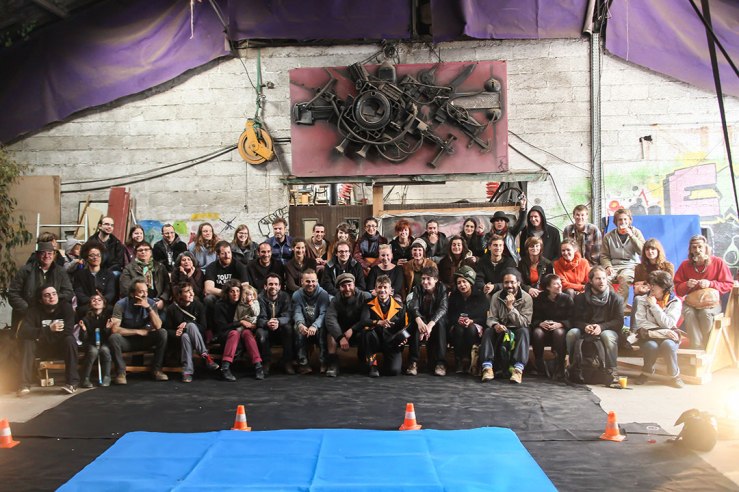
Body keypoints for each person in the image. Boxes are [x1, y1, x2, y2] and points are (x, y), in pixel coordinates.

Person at [566, 266, 624, 384]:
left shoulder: (616, 298)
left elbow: (619, 321)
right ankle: (574, 367)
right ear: (591, 281)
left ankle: (611, 370)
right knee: (572, 333)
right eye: (598, 278)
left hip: (607, 329)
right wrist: (585, 326)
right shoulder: (580, 298)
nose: (601, 281)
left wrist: (601, 327)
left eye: (604, 278)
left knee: (608, 336)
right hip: (586, 329)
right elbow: (574, 320)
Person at [17, 286, 79, 396]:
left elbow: (68, 330)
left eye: (54, 294)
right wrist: (48, 329)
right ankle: (24, 385)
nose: (52, 297)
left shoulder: (66, 307)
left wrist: (41, 335)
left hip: (60, 347)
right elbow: (24, 331)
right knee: (27, 342)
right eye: (47, 295)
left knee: (70, 340)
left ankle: (71, 383)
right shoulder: (33, 311)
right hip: (41, 348)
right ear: (41, 300)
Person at [674, 235, 733, 348]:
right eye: (694, 247)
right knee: (689, 313)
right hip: (691, 302)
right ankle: (697, 347)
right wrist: (687, 285)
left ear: (706, 248)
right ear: (690, 250)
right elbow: (677, 288)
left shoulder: (718, 262)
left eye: (700, 247)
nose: (697, 250)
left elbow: (728, 284)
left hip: (711, 303)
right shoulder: (685, 265)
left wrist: (710, 284)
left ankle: (709, 346)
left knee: (705, 313)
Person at [108, 279, 169, 384]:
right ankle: (121, 372)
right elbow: (114, 329)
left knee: (162, 333)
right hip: (128, 340)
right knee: (114, 338)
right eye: (141, 292)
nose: (145, 294)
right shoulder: (121, 304)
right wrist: (137, 331)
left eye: (146, 291)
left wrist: (148, 308)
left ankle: (156, 370)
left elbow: (158, 326)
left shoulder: (151, 303)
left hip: (145, 339)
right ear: (132, 294)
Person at [632, 271, 684, 388]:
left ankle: (674, 375)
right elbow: (642, 323)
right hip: (649, 335)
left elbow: (669, 323)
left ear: (664, 287)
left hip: (667, 336)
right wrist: (664, 332)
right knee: (651, 345)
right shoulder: (642, 300)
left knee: (668, 345)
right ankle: (646, 372)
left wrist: (654, 306)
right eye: (650, 284)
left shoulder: (675, 302)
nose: (650, 287)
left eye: (654, 285)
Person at [480, 268, 533, 384]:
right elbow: (491, 317)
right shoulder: (496, 296)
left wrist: (510, 308)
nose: (509, 285)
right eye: (506, 282)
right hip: (501, 328)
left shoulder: (526, 298)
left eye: (512, 282)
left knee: (524, 331)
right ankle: (487, 367)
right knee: (488, 331)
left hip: (517, 328)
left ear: (518, 283)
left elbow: (525, 322)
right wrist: (496, 325)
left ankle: (518, 369)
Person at [8, 240, 74, 327]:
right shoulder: (25, 271)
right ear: (37, 255)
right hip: (29, 312)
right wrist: (26, 308)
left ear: (54, 255)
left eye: (50, 253)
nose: (47, 256)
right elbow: (13, 293)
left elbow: (68, 292)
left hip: (53, 312)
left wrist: (51, 300)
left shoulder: (60, 272)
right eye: (43, 253)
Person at [165, 283, 219, 383]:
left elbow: (203, 327)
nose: (191, 294)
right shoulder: (171, 309)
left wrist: (187, 324)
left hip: (197, 337)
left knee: (190, 325)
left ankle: (187, 371)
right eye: (187, 291)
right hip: (179, 340)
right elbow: (167, 329)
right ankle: (204, 356)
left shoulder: (198, 305)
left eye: (192, 291)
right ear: (179, 295)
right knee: (185, 336)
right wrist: (175, 332)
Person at [212, 279, 264, 381]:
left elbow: (253, 315)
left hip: (243, 331)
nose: (235, 294)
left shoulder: (243, 303)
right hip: (226, 334)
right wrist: (240, 322)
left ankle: (258, 366)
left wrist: (252, 324)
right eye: (232, 291)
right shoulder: (220, 305)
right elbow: (221, 327)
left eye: (238, 291)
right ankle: (225, 368)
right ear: (227, 293)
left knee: (247, 333)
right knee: (234, 333)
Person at [359, 275, 409, 377]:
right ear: (375, 289)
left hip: (392, 342)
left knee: (394, 371)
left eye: (385, 287)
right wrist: (379, 322)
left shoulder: (400, 306)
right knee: (367, 332)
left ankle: (388, 364)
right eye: (379, 287)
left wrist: (404, 338)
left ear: (391, 290)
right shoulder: (368, 304)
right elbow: (363, 321)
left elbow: (406, 326)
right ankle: (373, 365)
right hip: (375, 340)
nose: (382, 290)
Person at [324, 273, 372, 377]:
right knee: (330, 335)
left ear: (354, 284)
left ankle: (363, 361)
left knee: (367, 332)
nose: (347, 288)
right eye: (343, 286)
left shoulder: (365, 296)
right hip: (341, 331)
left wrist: (352, 330)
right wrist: (340, 337)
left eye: (349, 285)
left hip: (359, 329)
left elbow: (365, 319)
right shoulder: (335, 300)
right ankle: (333, 363)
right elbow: (330, 319)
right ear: (339, 288)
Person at [405, 265, 449, 376]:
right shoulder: (417, 288)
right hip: (422, 318)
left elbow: (443, 308)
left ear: (436, 279)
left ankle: (440, 363)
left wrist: (430, 325)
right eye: (423, 278)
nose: (425, 282)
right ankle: (413, 362)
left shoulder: (442, 288)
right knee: (415, 324)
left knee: (441, 323)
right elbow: (413, 307)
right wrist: (420, 322)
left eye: (428, 279)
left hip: (436, 320)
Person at [447, 266, 487, 374]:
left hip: (475, 325)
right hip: (457, 325)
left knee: (470, 328)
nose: (462, 285)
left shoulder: (480, 296)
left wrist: (472, 320)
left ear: (470, 282)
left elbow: (484, 317)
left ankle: (469, 359)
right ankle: (459, 360)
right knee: (458, 329)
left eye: (464, 282)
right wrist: (457, 319)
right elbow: (449, 315)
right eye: (459, 283)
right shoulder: (454, 296)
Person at [531, 274, 573, 379]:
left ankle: (559, 365)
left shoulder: (567, 298)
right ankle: (539, 364)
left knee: (559, 332)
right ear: (548, 287)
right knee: (537, 333)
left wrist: (561, 324)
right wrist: (540, 323)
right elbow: (533, 317)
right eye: (556, 284)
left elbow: (572, 318)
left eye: (560, 283)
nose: (560, 286)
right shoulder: (539, 298)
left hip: (560, 328)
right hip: (544, 327)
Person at [600, 208, 645, 304]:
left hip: (631, 266)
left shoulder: (636, 233)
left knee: (624, 278)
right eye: (620, 219)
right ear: (616, 222)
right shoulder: (608, 236)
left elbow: (642, 251)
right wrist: (607, 266)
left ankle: (619, 307)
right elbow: (604, 255)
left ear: (629, 220)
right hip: (614, 266)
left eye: (625, 219)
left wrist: (632, 236)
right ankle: (613, 303)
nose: (623, 222)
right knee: (603, 280)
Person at [256, 273, 295, 375]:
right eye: (270, 284)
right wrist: (267, 323)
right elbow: (259, 318)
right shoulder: (260, 298)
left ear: (280, 286)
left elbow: (288, 315)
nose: (273, 286)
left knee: (288, 329)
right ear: (265, 286)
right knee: (260, 333)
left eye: (276, 284)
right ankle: (266, 362)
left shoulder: (285, 296)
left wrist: (278, 321)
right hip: (266, 327)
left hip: (280, 327)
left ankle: (287, 362)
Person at [293, 269, 330, 374]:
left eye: (313, 281)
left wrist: (315, 326)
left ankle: (324, 362)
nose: (310, 284)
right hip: (305, 324)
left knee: (324, 329)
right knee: (297, 328)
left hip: (318, 325)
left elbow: (323, 314)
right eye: (307, 281)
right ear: (302, 282)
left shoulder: (323, 294)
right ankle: (303, 363)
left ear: (317, 281)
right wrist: (300, 324)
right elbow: (297, 312)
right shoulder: (297, 295)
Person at [119, 241, 171, 314]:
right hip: (137, 303)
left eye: (146, 250)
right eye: (140, 250)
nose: (143, 252)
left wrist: (163, 300)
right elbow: (125, 289)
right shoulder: (129, 268)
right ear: (136, 253)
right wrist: (141, 300)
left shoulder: (160, 267)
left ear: (151, 252)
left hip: (158, 302)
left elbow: (167, 287)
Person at [77, 292, 113, 388]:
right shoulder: (86, 319)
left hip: (104, 343)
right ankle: (85, 378)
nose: (96, 301)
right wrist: (84, 330)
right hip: (91, 343)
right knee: (93, 351)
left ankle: (106, 377)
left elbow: (109, 336)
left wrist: (107, 329)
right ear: (90, 304)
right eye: (94, 300)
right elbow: (82, 338)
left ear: (104, 304)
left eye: (99, 300)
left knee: (105, 350)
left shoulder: (108, 318)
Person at [72, 242, 116, 314]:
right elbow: (79, 292)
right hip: (86, 305)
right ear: (86, 257)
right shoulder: (79, 274)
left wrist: (101, 301)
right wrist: (92, 301)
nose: (95, 257)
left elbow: (111, 292)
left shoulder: (109, 274)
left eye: (98, 255)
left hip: (104, 305)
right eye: (92, 255)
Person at [204, 240, 250, 306]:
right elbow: (208, 289)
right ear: (218, 254)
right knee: (208, 299)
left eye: (229, 252)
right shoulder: (211, 267)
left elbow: (245, 285)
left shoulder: (239, 265)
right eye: (223, 253)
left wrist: (234, 294)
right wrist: (226, 294)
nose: (227, 256)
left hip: (236, 295)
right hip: (219, 295)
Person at [486, 194, 527, 263]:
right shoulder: (488, 235)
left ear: (505, 223)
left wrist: (523, 208)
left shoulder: (510, 232)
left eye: (502, 220)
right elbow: (482, 248)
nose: (499, 222)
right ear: (493, 223)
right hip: (495, 263)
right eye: (497, 221)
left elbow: (521, 223)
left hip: (511, 262)